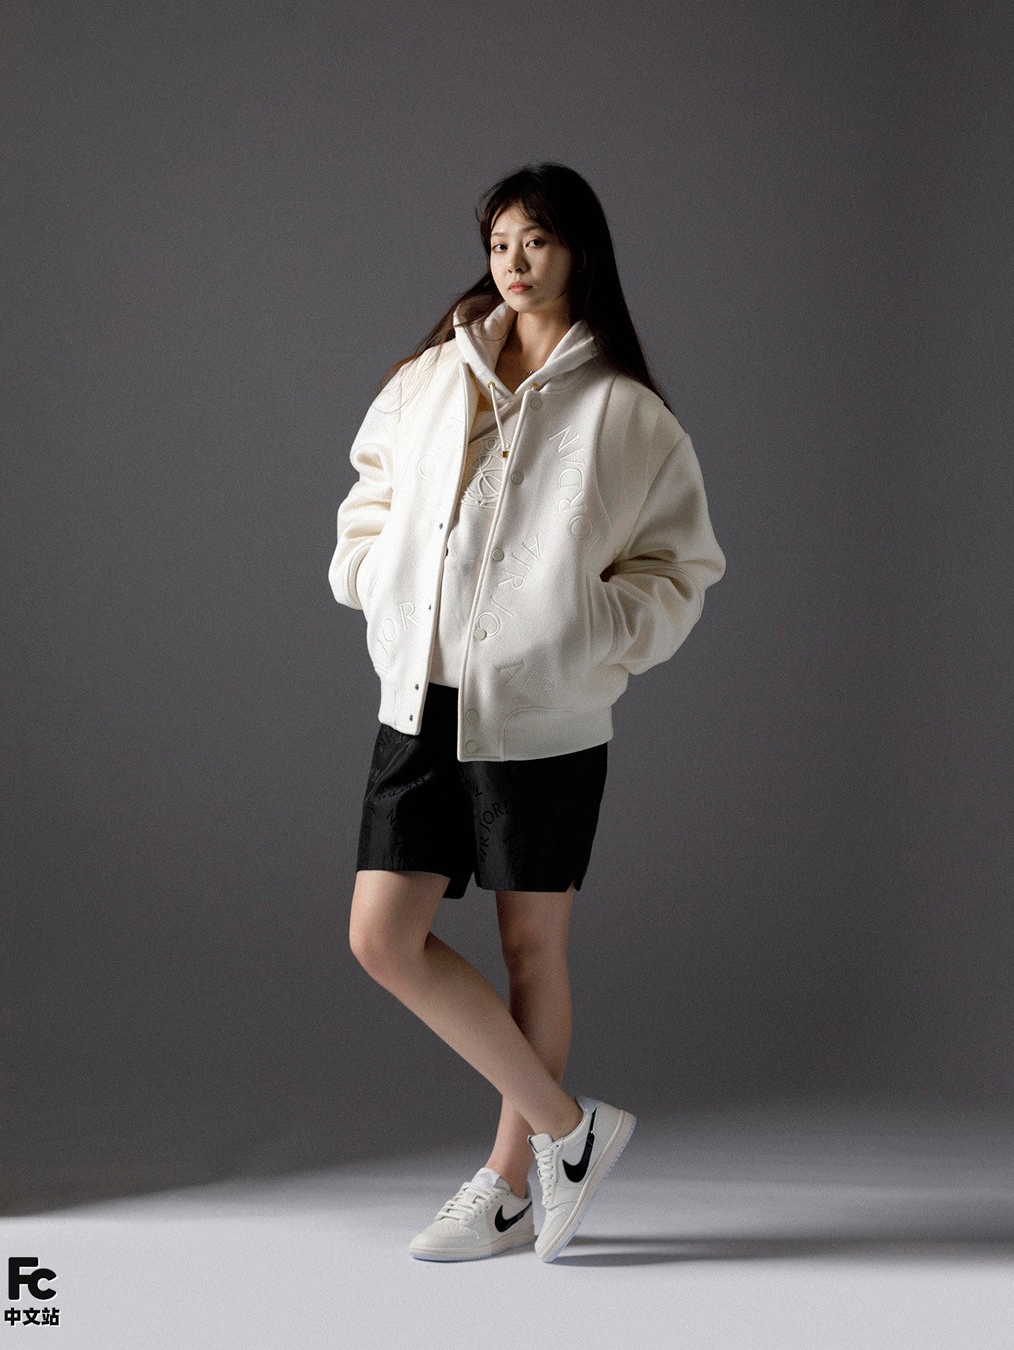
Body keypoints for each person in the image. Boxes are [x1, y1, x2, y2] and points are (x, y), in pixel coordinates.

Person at [328, 162, 726, 1262]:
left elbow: (680, 569)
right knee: (383, 938)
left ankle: (509, 1189)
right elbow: (368, 499)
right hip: (421, 700)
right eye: (501, 240)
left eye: (537, 240)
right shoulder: (428, 378)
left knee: (530, 948)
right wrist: (373, 579)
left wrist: (582, 639)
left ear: (578, 251)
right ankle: (567, 1128)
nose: (514, 260)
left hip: (542, 718)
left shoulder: (627, 413)